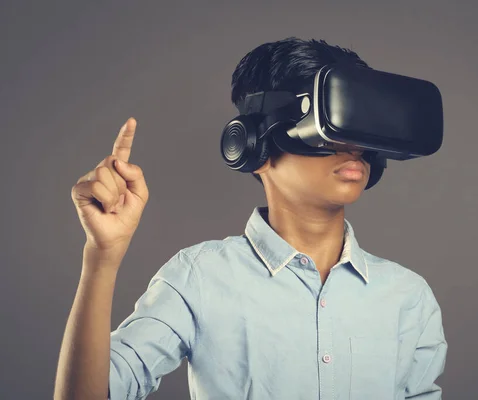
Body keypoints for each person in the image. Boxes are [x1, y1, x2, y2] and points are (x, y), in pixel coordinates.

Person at [54, 37, 447, 400]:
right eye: (328, 126)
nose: (352, 148)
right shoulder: (200, 278)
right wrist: (102, 256)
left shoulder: (408, 297)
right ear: (250, 143)